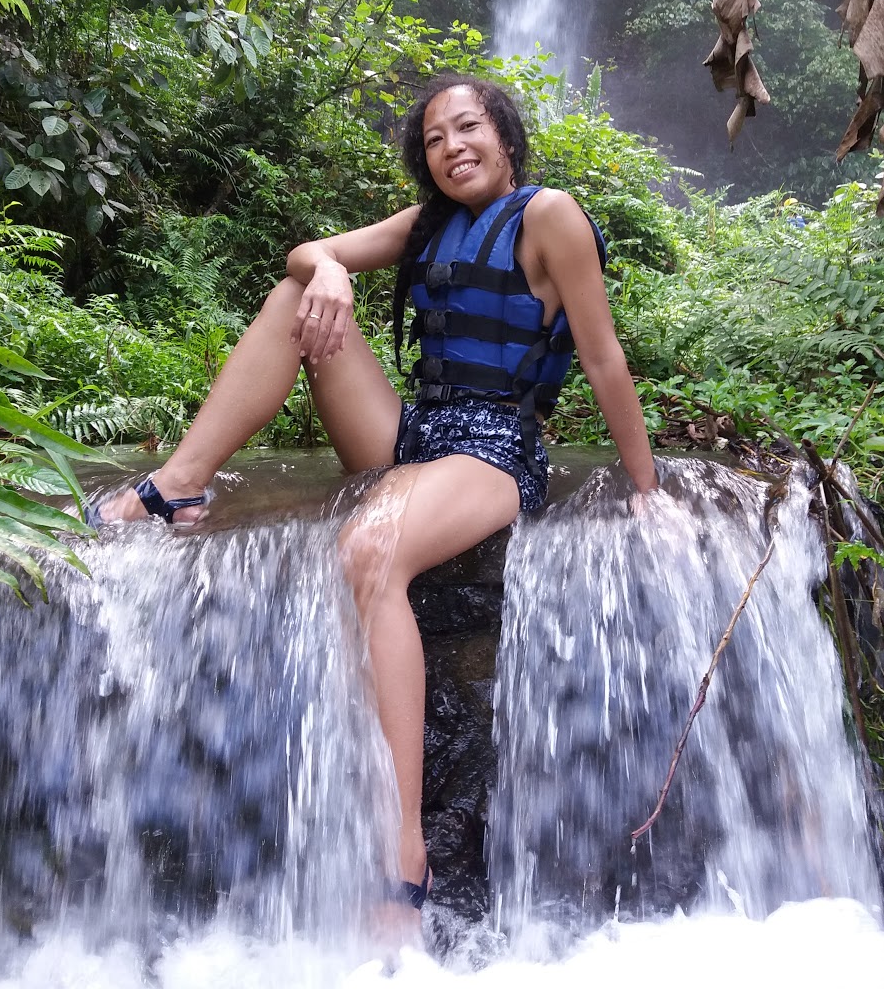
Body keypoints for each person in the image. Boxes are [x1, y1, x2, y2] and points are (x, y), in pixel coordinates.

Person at [88, 73, 660, 930]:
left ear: (505, 135)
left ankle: (403, 852)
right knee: (296, 297)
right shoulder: (429, 223)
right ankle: (176, 485)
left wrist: (648, 492)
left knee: (369, 551)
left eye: (468, 128)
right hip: (413, 433)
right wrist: (330, 275)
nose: (452, 147)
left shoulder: (550, 216)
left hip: (494, 448)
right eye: (434, 139)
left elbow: (606, 359)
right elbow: (303, 254)